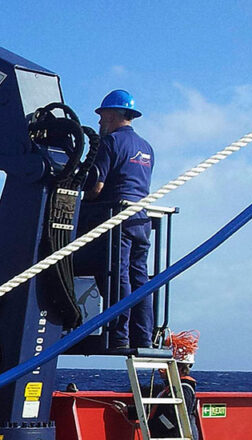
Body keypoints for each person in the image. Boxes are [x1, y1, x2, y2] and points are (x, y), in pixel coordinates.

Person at [83, 89, 156, 350]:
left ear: (112, 115)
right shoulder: (146, 147)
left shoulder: (110, 143)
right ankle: (143, 336)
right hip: (142, 221)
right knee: (140, 279)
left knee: (117, 275)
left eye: (102, 117)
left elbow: (96, 188)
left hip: (118, 222)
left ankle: (119, 335)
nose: (100, 123)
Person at [147, 330, 200, 440]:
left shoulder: (184, 389)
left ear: (180, 368)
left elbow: (172, 418)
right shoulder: (171, 389)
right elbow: (160, 409)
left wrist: (150, 425)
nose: (161, 370)